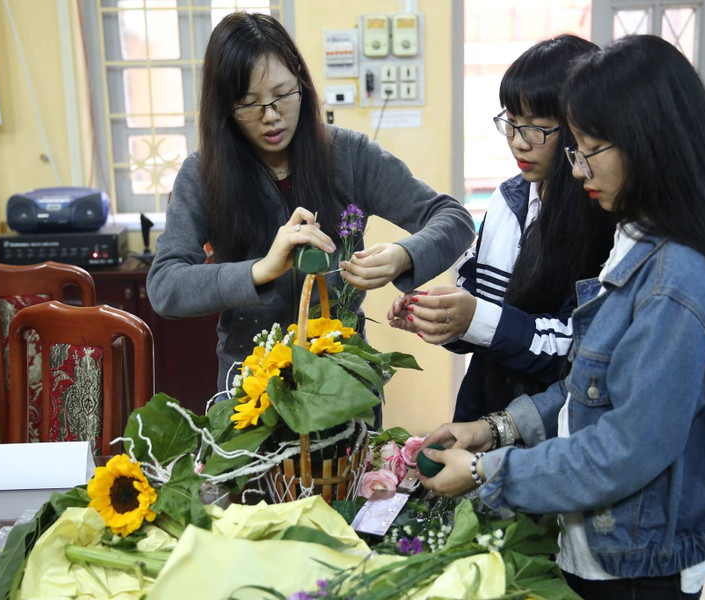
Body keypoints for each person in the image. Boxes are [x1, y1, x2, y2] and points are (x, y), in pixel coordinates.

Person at [417, 35, 705, 600]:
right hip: (601, 543)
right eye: (575, 149)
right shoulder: (635, 241)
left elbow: (624, 449)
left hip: (637, 565)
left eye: (588, 149)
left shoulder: (676, 283)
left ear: (648, 147)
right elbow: (589, 388)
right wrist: (494, 430)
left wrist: (486, 474)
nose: (577, 168)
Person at [147, 12, 475, 393]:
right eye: (250, 104)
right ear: (226, 109)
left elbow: (454, 218)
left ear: (302, 84)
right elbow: (165, 285)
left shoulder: (349, 154)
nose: (271, 117)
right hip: (249, 390)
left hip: (343, 383)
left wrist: (404, 255)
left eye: (283, 94)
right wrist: (261, 269)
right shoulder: (203, 173)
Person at [388, 35, 614, 422]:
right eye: (511, 121)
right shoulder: (508, 198)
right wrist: (440, 316)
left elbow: (576, 350)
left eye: (537, 128)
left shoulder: (599, 217)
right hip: (486, 405)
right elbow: (476, 303)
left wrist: (475, 318)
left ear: (579, 128)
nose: (518, 143)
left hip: (550, 424)